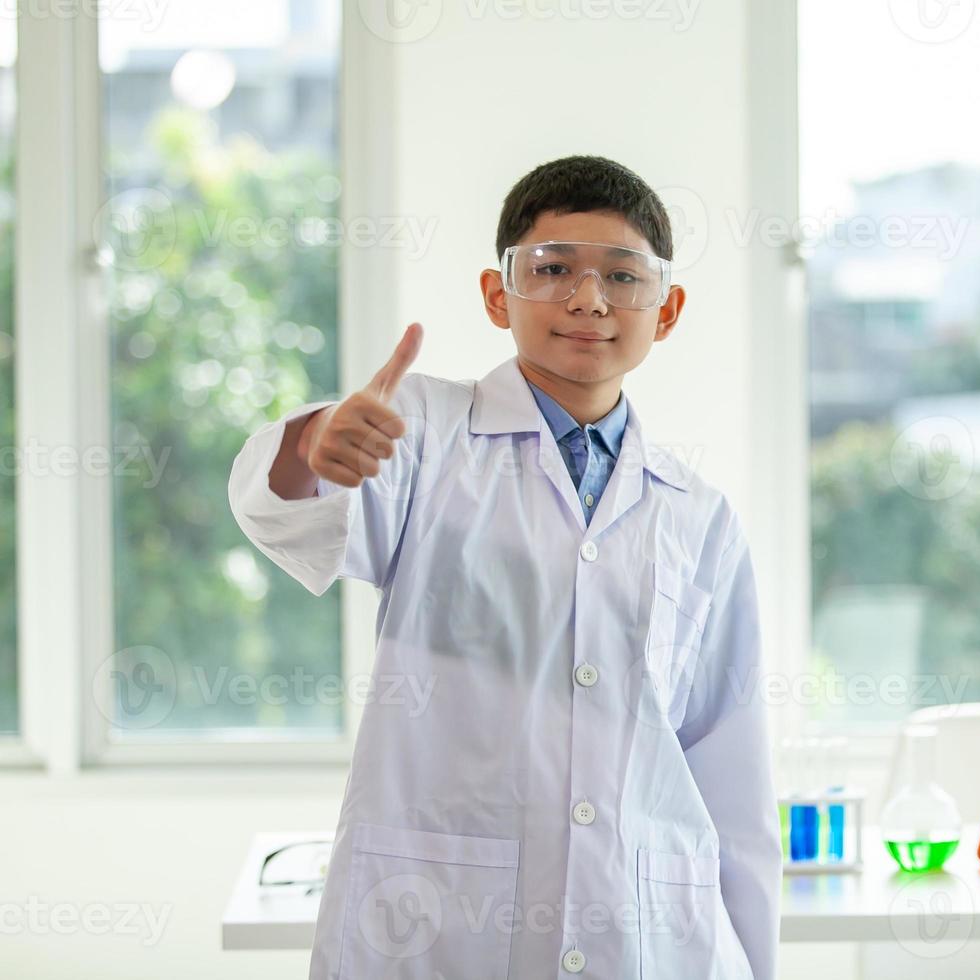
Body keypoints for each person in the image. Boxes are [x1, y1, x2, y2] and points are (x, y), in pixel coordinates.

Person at [228, 154, 782, 980]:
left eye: (623, 278)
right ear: (499, 295)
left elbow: (730, 771)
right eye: (552, 269)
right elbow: (285, 509)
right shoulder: (423, 430)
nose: (588, 299)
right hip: (440, 928)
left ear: (665, 311)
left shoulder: (698, 514)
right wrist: (316, 448)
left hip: (652, 937)